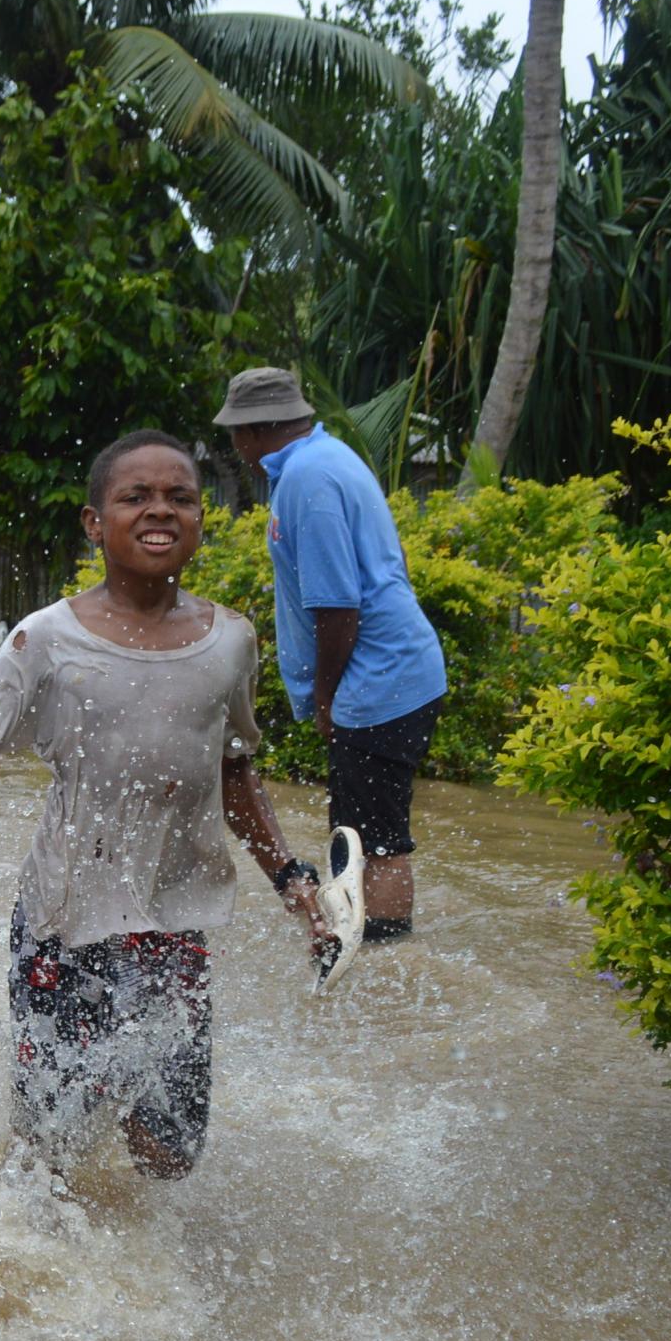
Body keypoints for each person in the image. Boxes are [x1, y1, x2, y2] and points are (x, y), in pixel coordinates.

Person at [0, 431, 328, 1180]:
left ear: (199, 518)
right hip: (62, 918)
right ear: (95, 524)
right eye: (135, 497)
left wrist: (289, 877)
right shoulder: (43, 640)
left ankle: (133, 1267)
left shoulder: (229, 642)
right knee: (50, 1139)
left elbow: (234, 772)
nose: (159, 511)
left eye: (178, 497)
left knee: (169, 1154)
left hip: (172, 921)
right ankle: (34, 1264)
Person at [211, 367, 447, 944]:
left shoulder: (306, 480)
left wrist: (326, 695)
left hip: (377, 683)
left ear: (254, 429)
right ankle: (375, 945)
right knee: (370, 827)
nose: (234, 446)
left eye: (234, 433)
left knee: (370, 838)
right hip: (398, 673)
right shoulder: (329, 458)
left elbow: (338, 605)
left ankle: (381, 954)